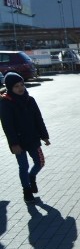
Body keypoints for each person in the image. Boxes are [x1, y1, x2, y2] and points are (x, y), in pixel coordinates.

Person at [1, 72, 50, 203]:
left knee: (40, 162)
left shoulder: (30, 100)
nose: (20, 88)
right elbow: (7, 126)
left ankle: (31, 176)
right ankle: (26, 190)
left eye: (22, 84)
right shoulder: (6, 103)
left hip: (33, 138)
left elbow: (38, 119)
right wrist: (14, 144)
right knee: (23, 166)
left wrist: (44, 136)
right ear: (10, 88)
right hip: (18, 142)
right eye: (16, 86)